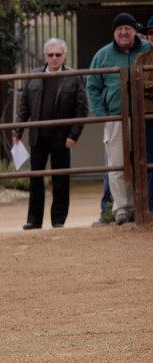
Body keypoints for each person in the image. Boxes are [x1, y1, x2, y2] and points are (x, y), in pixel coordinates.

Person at [12, 38, 88, 230]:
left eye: (58, 55)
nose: (54, 58)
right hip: (38, 136)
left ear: (65, 56)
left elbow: (82, 109)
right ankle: (34, 220)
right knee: (36, 179)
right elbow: (24, 107)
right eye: (50, 55)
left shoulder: (74, 76)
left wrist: (74, 135)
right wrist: (17, 130)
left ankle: (58, 220)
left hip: (62, 138)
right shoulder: (34, 75)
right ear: (45, 56)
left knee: (60, 180)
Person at [88, 13, 151, 225]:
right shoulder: (102, 55)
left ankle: (140, 206)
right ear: (114, 32)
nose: (123, 32)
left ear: (135, 31)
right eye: (119, 29)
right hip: (116, 116)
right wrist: (102, 114)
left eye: (128, 28)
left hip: (145, 117)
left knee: (142, 161)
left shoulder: (147, 50)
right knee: (117, 162)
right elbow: (93, 86)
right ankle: (122, 208)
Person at [135, 17, 153, 213]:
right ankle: (151, 207)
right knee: (149, 161)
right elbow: (136, 85)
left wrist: (148, 87)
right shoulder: (141, 58)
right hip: (148, 116)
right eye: (151, 33)